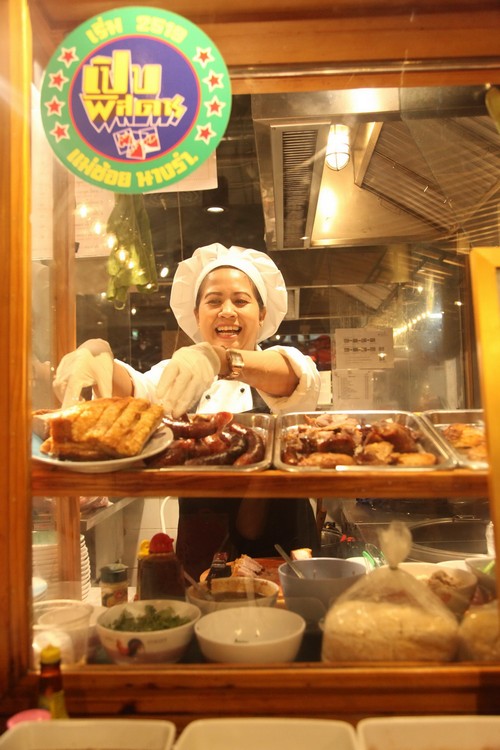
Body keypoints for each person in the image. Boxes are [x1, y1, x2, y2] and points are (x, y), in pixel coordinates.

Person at [54, 243, 321, 579]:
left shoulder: (280, 365)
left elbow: (295, 377)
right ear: (196, 314)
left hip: (284, 553)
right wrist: (99, 356)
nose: (227, 311)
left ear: (262, 313)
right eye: (214, 301)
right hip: (202, 555)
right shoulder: (177, 372)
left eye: (241, 301)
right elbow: (138, 391)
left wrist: (222, 360)